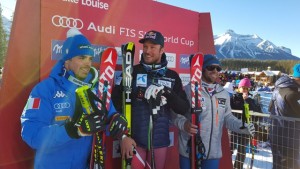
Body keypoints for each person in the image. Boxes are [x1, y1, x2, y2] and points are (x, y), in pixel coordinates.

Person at [20, 28, 128, 169]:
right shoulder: (45, 90)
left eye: (90, 58)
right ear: (67, 61)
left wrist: (116, 122)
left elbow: (106, 119)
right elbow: (31, 134)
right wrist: (73, 130)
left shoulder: (95, 89)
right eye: (81, 58)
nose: (88, 64)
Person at [111, 30, 190, 169]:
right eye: (145, 47)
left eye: (152, 47)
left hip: (159, 143)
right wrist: (122, 136)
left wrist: (168, 93)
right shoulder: (132, 72)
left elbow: (183, 108)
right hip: (134, 141)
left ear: (162, 50)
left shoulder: (172, 76)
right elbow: (115, 104)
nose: (147, 51)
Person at [173, 54, 255, 169]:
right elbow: (174, 115)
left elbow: (228, 118)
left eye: (218, 68)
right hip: (189, 149)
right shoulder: (188, 90)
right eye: (211, 67)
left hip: (213, 152)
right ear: (202, 69)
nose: (215, 71)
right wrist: (184, 124)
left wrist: (242, 127)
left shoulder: (223, 94)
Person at [268, 63, 300, 169]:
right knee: (289, 165)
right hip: (289, 137)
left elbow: (269, 108)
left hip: (276, 133)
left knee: (278, 165)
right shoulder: (292, 94)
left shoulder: (279, 89)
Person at [230, 77, 262, 169]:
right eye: (243, 87)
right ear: (239, 87)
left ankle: (238, 166)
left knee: (242, 149)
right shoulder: (233, 97)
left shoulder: (251, 99)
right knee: (230, 147)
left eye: (246, 88)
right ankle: (228, 164)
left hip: (245, 127)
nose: (244, 90)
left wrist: (247, 100)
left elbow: (257, 112)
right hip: (233, 126)